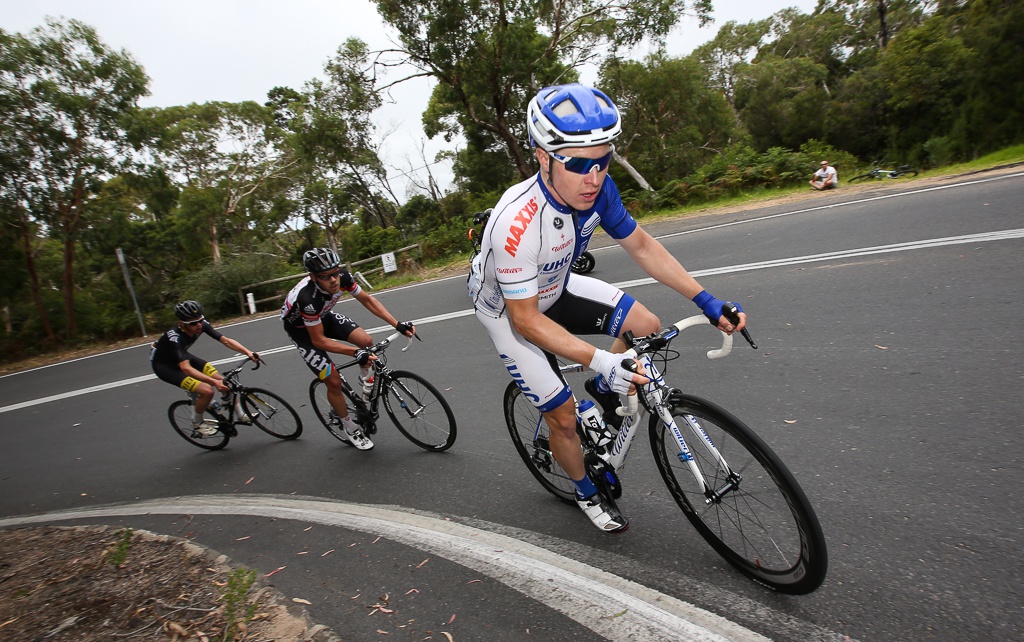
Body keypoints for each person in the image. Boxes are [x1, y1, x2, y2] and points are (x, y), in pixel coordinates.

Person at [468, 83, 748, 533]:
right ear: (543, 156)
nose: (593, 178)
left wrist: (705, 299)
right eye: (578, 164)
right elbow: (526, 319)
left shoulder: (599, 190)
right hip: (511, 312)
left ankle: (601, 390)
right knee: (561, 415)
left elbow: (640, 244)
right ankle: (584, 490)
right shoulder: (514, 225)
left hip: (554, 284)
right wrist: (602, 357)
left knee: (646, 324)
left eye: (603, 161)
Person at [282, 247, 416, 451]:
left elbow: (367, 300)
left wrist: (396, 323)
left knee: (366, 340)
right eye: (325, 276)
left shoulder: (342, 277)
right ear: (313, 277)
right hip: (303, 333)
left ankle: (365, 379)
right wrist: (354, 353)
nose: (334, 280)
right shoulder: (307, 298)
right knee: (333, 381)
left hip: (324, 316)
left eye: (335, 272)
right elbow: (318, 341)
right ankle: (349, 427)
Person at [150, 300, 261, 435]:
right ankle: (197, 423)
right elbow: (186, 368)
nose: (198, 325)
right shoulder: (174, 337)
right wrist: (214, 383)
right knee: (207, 390)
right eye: (193, 323)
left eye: (200, 320)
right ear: (181, 324)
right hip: (166, 367)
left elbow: (225, 340)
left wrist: (248, 352)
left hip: (183, 357)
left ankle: (241, 416)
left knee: (225, 382)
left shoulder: (201, 325)